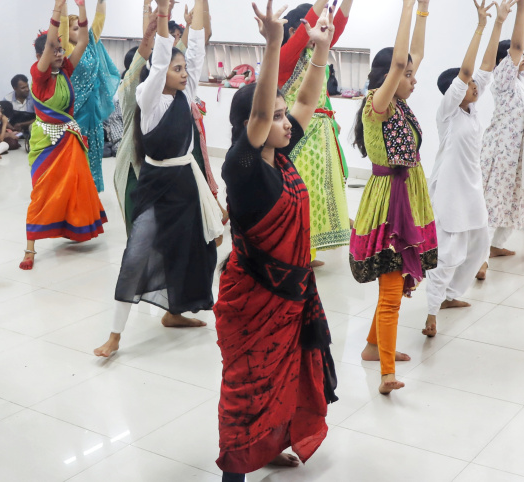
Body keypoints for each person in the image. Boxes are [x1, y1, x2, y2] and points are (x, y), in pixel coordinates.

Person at [215, 4, 339, 480]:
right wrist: (272, 45)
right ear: (255, 125)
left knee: (282, 381)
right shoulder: (243, 169)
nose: (288, 122)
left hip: (289, 299)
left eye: (286, 118)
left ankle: (268, 447)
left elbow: (304, 101)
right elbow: (265, 110)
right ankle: (235, 472)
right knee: (248, 390)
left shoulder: (281, 159)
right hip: (252, 302)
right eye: (278, 118)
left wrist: (322, 49)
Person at [93, 0, 223, 357]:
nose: (183, 73)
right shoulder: (147, 98)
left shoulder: (187, 93)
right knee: (136, 255)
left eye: (184, 69)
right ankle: (115, 335)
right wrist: (163, 16)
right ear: (160, 71)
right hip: (155, 184)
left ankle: (175, 313)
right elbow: (163, 57)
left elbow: (196, 46)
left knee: (191, 251)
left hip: (185, 184)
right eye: (176, 68)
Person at [350, 0, 436, 395]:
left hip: (407, 196)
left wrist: (421, 12)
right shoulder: (377, 106)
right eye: (408, 74)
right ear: (390, 75)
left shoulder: (398, 103)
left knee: (397, 282)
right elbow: (404, 61)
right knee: (391, 293)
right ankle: (386, 373)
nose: (414, 78)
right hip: (390, 206)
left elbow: (412, 55)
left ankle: (373, 347)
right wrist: (405, 8)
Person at [423, 0, 514, 337]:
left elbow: (486, 67)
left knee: (477, 246)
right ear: (455, 92)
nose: (476, 86)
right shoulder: (448, 111)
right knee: (448, 252)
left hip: (471, 189)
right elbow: (466, 73)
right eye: (469, 85)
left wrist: (499, 23)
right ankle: (432, 310)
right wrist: (479, 26)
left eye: (476, 85)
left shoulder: (472, 110)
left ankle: (449, 296)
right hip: (449, 191)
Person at [20, 0, 107, 270]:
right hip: (46, 143)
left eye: (60, 49)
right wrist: (58, 9)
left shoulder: (65, 70)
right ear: (41, 56)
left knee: (74, 187)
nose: (59, 53)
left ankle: (71, 229)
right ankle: (29, 249)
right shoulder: (40, 76)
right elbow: (47, 44)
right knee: (43, 193)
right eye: (54, 50)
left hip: (69, 141)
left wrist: (81, 9)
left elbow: (81, 42)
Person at [277, 0, 353, 267]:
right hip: (297, 135)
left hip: (319, 135)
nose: (321, 33)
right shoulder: (286, 57)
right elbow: (303, 36)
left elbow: (338, 26)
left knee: (317, 195)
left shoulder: (315, 52)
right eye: (315, 26)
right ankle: (296, 254)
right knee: (301, 195)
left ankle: (307, 252)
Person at [478, 0, 524, 277]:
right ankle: (480, 257)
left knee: (514, 202)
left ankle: (496, 246)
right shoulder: (503, 78)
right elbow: (519, 49)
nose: (521, 60)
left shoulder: (523, 78)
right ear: (504, 62)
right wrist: (521, 7)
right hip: (501, 155)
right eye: (514, 58)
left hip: (518, 155)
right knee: (494, 204)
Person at [60, 0, 120, 193]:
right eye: (76, 28)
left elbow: (99, 20)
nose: (81, 31)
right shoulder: (68, 50)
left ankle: (91, 193)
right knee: (75, 156)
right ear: (67, 34)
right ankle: (74, 194)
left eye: (81, 27)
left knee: (94, 154)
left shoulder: (92, 44)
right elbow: (62, 21)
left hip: (93, 115)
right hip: (75, 115)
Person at [113, 0, 161, 234]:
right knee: (140, 233)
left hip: (159, 166)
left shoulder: (164, 94)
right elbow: (141, 59)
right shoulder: (130, 91)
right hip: (134, 164)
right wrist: (149, 33)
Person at [175, 1, 226, 222]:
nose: (179, 37)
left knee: (200, 169)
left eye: (180, 33)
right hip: (177, 141)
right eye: (175, 34)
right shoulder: (169, 59)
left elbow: (204, 35)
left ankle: (211, 210)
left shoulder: (185, 61)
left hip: (192, 124)